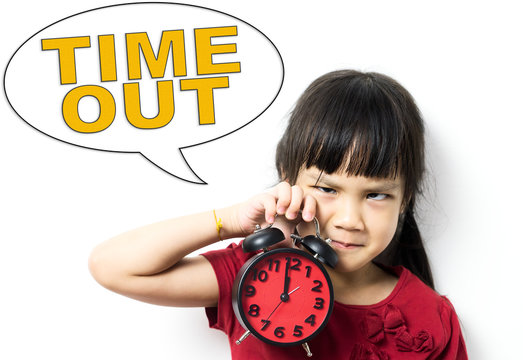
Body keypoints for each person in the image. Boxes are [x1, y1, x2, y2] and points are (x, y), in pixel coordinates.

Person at [89, 70, 468, 359]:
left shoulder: (431, 316)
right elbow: (113, 266)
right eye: (327, 188)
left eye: (376, 194)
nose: (350, 219)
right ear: (289, 180)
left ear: (405, 200)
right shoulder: (254, 273)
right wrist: (233, 219)